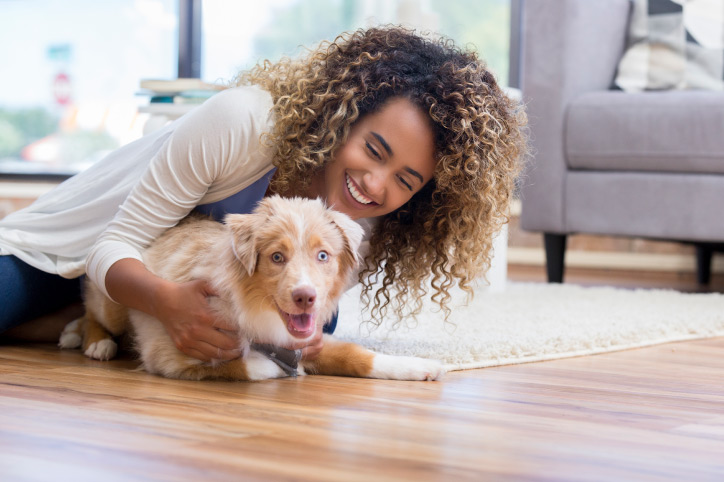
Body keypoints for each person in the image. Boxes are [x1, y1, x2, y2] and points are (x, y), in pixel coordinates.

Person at [0, 26, 527, 362]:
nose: (376, 184)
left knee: (320, 317)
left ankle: (88, 321)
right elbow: (112, 243)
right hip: (67, 249)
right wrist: (169, 305)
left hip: (143, 277)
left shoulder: (364, 212)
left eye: (406, 181)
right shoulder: (243, 123)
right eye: (375, 149)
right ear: (345, 115)